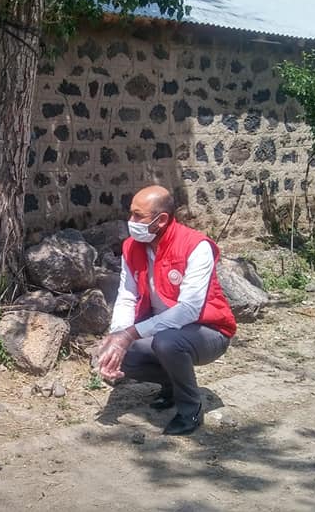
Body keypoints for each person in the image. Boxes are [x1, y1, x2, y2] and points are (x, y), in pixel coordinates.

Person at [98, 185, 236, 436]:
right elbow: (127, 296)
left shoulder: (195, 246)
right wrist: (118, 336)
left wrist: (129, 335)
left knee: (168, 342)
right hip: (162, 329)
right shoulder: (132, 247)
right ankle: (172, 386)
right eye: (131, 213)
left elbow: (188, 310)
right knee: (114, 351)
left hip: (209, 331)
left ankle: (190, 409)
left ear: (161, 220)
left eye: (138, 215)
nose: (131, 221)